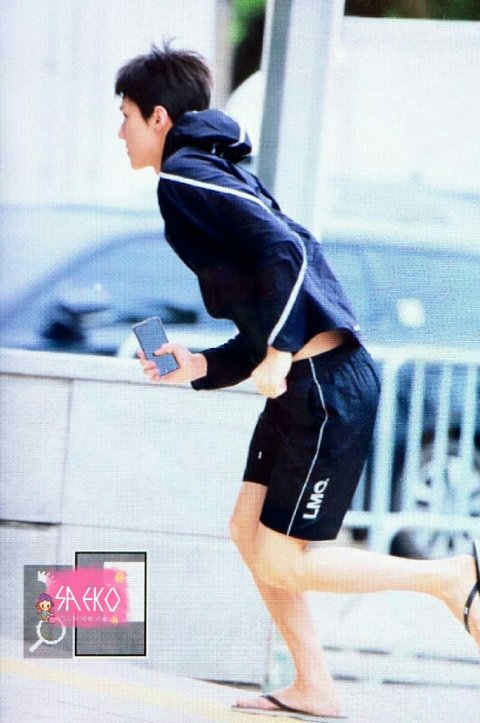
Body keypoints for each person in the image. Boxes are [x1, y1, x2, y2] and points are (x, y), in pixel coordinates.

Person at [115, 43, 479, 719]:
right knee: (247, 531)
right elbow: (263, 300)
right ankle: (313, 685)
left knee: (283, 558)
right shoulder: (207, 174)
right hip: (306, 382)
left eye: (126, 115)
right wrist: (201, 365)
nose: (121, 132)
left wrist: (280, 353)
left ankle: (447, 577)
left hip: (324, 386)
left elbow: (285, 250)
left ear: (158, 117)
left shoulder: (186, 177)